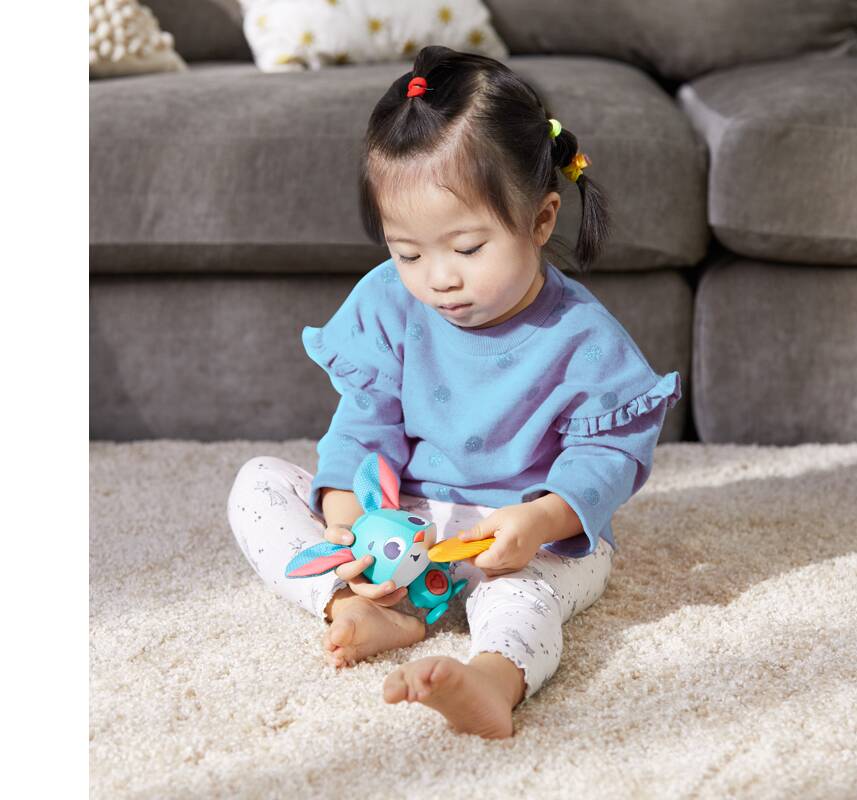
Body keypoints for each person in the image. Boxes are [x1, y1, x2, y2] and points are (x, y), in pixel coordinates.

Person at [227, 45, 682, 739]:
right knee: (257, 484)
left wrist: (542, 520)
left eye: (468, 249)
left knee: (522, 599)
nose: (438, 278)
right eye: (407, 252)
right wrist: (350, 524)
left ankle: (494, 679)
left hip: (522, 538)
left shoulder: (583, 337)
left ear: (541, 220)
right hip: (403, 526)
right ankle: (360, 603)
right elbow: (364, 422)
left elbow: (608, 457)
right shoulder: (389, 302)